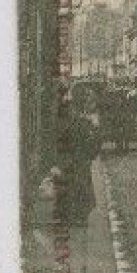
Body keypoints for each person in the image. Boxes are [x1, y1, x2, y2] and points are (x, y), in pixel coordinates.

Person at [51, 89, 100, 227]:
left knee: (74, 185)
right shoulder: (83, 122)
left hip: (73, 159)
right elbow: (93, 143)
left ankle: (74, 215)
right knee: (79, 186)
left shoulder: (78, 121)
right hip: (78, 159)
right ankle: (78, 216)